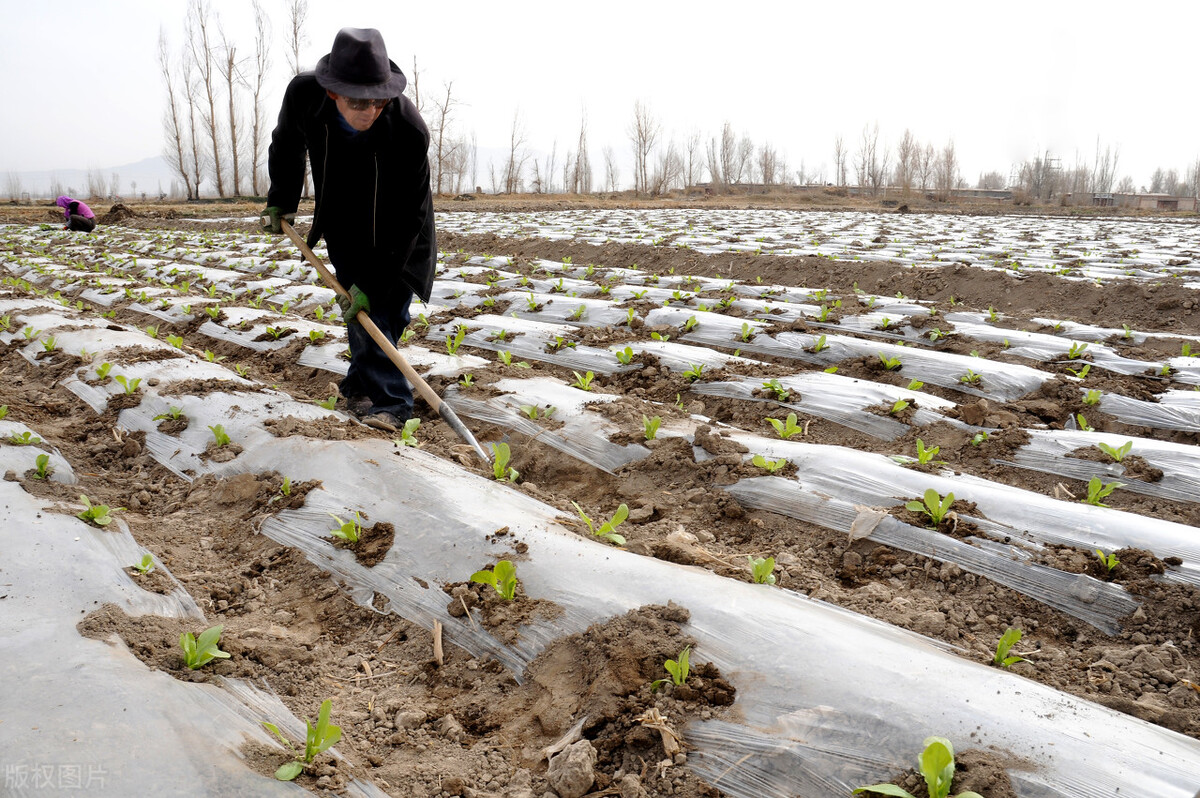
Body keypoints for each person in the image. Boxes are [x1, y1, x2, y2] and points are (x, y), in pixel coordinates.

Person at [261, 27, 435, 433]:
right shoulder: (305, 96)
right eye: (359, 101)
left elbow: (409, 215)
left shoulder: (408, 129)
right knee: (363, 316)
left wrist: (372, 282)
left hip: (398, 232)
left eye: (378, 100)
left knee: (383, 309)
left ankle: (392, 404)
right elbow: (286, 144)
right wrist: (282, 198)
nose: (370, 110)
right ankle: (361, 389)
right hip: (342, 220)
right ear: (333, 92)